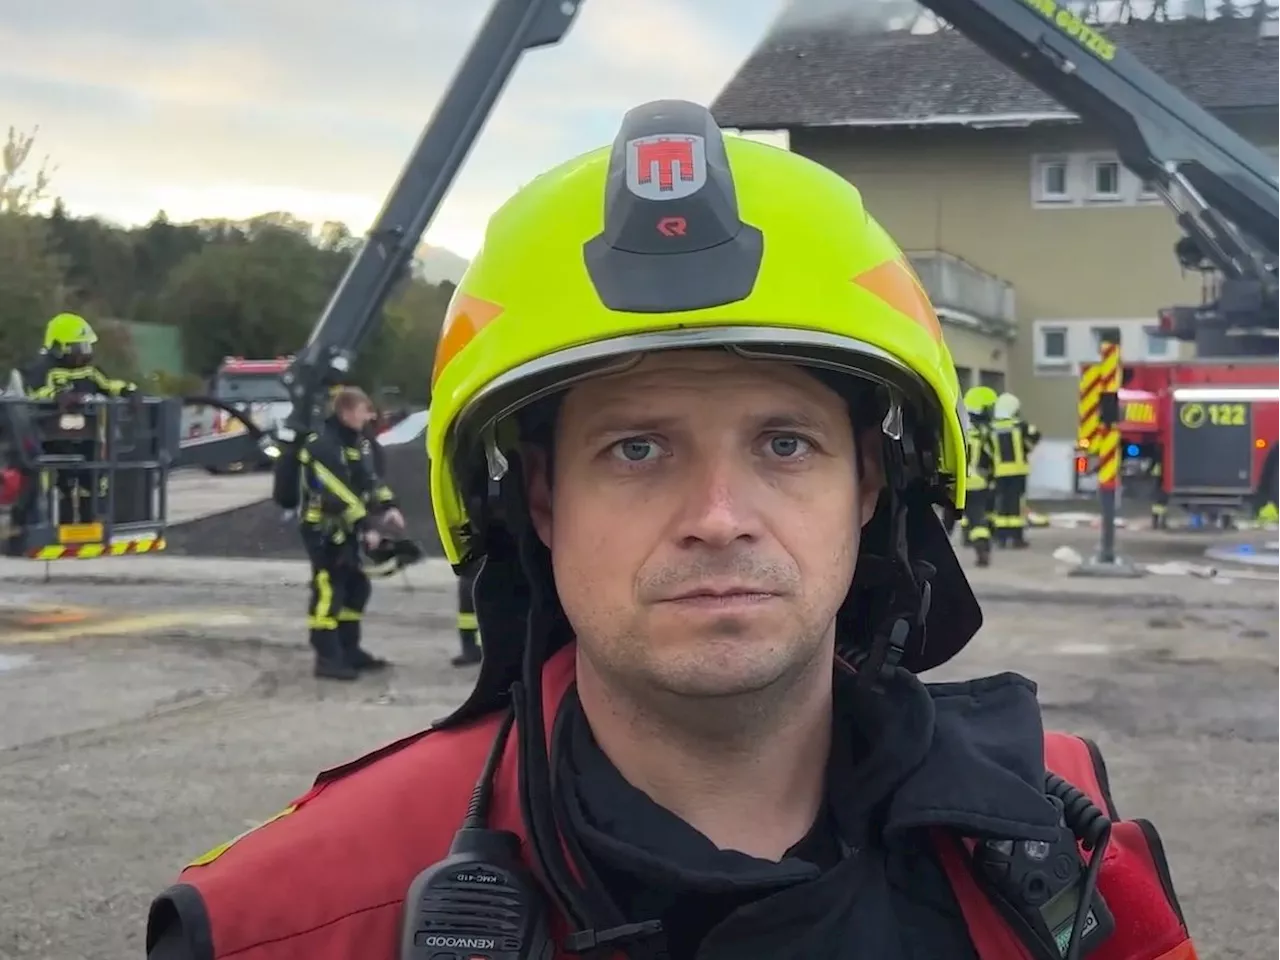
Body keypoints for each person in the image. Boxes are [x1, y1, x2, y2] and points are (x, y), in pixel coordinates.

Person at [145, 102, 1195, 960]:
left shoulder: (1060, 848)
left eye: (783, 445)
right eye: (636, 451)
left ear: (869, 485)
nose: (717, 519)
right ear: (540, 503)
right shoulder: (276, 925)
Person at [297, 386, 405, 680]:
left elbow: (368, 480)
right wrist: (367, 526)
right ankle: (327, 658)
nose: (369, 417)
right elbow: (338, 493)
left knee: (357, 587)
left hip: (346, 528)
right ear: (346, 412)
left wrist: (388, 506)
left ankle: (349, 649)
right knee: (329, 590)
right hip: (322, 529)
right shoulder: (322, 445)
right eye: (363, 411)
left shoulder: (355, 442)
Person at [20, 312, 139, 523]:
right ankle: (53, 525)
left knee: (90, 480)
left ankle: (89, 524)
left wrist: (129, 391)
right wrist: (58, 397)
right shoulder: (44, 370)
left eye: (86, 347)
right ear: (59, 348)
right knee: (59, 483)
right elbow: (34, 393)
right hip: (52, 439)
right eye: (78, 348)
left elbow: (109, 385)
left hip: (87, 437)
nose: (84, 354)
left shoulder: (89, 372)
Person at [988, 391, 1036, 549]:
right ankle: (1017, 539)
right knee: (1016, 505)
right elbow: (1033, 439)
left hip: (1000, 472)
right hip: (1017, 471)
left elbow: (988, 450)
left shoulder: (992, 428)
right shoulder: (1020, 426)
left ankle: (1001, 538)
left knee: (1001, 505)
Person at [960, 386, 996, 566]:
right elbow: (990, 457)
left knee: (947, 521)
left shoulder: (960, 430)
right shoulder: (982, 434)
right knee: (978, 519)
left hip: (959, 482)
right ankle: (982, 550)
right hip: (977, 482)